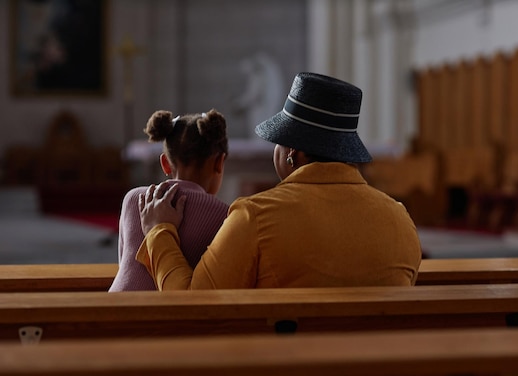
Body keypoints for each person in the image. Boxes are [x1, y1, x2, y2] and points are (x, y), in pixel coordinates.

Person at [137, 72, 422, 290]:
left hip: (287, 365)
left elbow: (194, 306)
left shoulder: (254, 216)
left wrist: (158, 231)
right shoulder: (400, 219)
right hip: (382, 366)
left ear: (292, 155)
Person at [109, 109, 229, 291]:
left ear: (165, 163)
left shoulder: (134, 198)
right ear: (219, 162)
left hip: (113, 310)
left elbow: (125, 264)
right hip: (165, 315)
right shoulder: (224, 216)